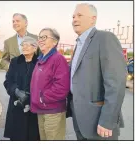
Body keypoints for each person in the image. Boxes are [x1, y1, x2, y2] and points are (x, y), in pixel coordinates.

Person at [68, 3, 126, 140]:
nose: (74, 19)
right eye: (73, 16)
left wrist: (107, 120)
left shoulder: (105, 38)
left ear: (93, 19)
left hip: (99, 121)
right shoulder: (78, 45)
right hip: (79, 117)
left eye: (79, 15)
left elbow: (116, 83)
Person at [30, 28, 70, 140]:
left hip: (52, 111)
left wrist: (42, 98)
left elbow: (62, 88)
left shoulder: (58, 59)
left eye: (44, 37)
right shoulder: (41, 59)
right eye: (39, 37)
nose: (40, 40)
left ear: (55, 42)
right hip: (41, 109)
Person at [3, 36, 40, 140]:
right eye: (23, 45)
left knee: (32, 135)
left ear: (34, 47)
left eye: (27, 45)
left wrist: (31, 96)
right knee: (17, 135)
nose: (24, 47)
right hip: (16, 104)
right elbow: (8, 81)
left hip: (33, 105)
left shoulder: (39, 62)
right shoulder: (15, 61)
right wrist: (16, 91)